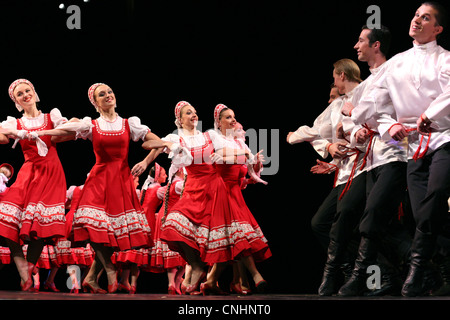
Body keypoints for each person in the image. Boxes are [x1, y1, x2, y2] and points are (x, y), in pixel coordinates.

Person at [351, 2, 450, 297]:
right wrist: (385, 125)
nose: (417, 20)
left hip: (444, 138)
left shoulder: (445, 59)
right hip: (414, 147)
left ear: (438, 29)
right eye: (417, 15)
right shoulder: (396, 63)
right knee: (422, 215)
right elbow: (368, 104)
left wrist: (429, 115)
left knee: (434, 198)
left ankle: (416, 270)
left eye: (426, 17)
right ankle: (439, 271)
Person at [35, 82, 164, 293]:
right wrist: (44, 131)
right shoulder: (91, 124)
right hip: (98, 180)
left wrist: (145, 162)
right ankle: (111, 272)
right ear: (95, 102)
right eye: (101, 94)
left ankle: (92, 277)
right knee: (92, 228)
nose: (108, 96)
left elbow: (159, 142)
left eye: (110, 92)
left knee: (113, 235)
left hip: (121, 182)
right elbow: (61, 133)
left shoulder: (129, 124)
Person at [142, 100, 254, 294]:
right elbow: (149, 143)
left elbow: (225, 150)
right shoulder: (176, 138)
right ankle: (197, 266)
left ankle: (203, 277)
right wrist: (162, 147)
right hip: (193, 189)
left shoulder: (208, 135)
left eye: (194, 112)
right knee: (171, 226)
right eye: (188, 113)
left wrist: (243, 152)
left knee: (212, 237)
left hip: (213, 189)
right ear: (179, 119)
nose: (193, 115)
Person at [335, 25, 412, 296]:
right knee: (380, 224)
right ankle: (393, 276)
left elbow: (381, 112)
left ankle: (432, 265)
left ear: (376, 45)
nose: (356, 46)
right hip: (373, 159)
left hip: (395, 155)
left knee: (372, 220)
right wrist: (356, 126)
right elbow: (356, 127)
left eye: (361, 40)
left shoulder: (394, 72)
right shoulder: (366, 83)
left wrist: (357, 114)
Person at [287, 59, 367, 296]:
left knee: (358, 227)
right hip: (346, 172)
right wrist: (328, 149)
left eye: (334, 76)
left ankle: (355, 275)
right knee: (322, 223)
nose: (333, 83)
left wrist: (336, 146)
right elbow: (316, 130)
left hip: (367, 168)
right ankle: (350, 271)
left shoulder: (366, 91)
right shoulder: (338, 104)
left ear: (341, 75)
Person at [0, 79, 68, 291]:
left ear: (34, 92)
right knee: (8, 218)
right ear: (16, 101)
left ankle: (29, 269)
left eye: (27, 90)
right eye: (20, 94)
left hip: (52, 172)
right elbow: (2, 137)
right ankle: (22, 267)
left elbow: (70, 134)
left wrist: (49, 132)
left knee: (41, 225)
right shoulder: (15, 123)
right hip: (29, 172)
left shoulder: (51, 117)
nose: (25, 95)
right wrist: (17, 133)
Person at [212, 104, 270, 294]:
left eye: (234, 116)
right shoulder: (216, 139)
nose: (233, 120)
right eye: (228, 117)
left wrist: (255, 167)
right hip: (222, 193)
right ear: (219, 122)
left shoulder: (239, 142)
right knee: (239, 236)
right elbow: (218, 158)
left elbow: (248, 170)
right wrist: (243, 155)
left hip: (236, 194)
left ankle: (221, 281)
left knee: (235, 240)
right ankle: (255, 276)